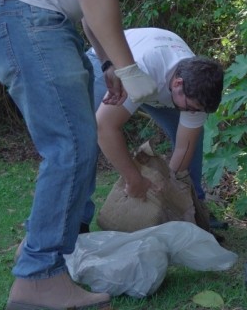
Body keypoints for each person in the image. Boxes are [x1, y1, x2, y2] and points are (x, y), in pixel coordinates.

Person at [0, 0, 225, 310]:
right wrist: (130, 70)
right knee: (71, 147)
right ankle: (38, 277)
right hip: (24, 16)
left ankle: (45, 251)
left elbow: (89, 1)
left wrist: (108, 62)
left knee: (78, 143)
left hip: (40, 19)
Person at [82, 27, 224, 228]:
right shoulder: (144, 69)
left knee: (194, 137)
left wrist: (169, 190)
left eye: (197, 110)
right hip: (110, 63)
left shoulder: (198, 93)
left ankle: (193, 209)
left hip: (158, 84)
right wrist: (133, 179)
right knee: (85, 139)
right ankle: (78, 219)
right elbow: (105, 128)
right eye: (191, 108)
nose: (192, 112)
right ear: (178, 83)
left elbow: (184, 148)